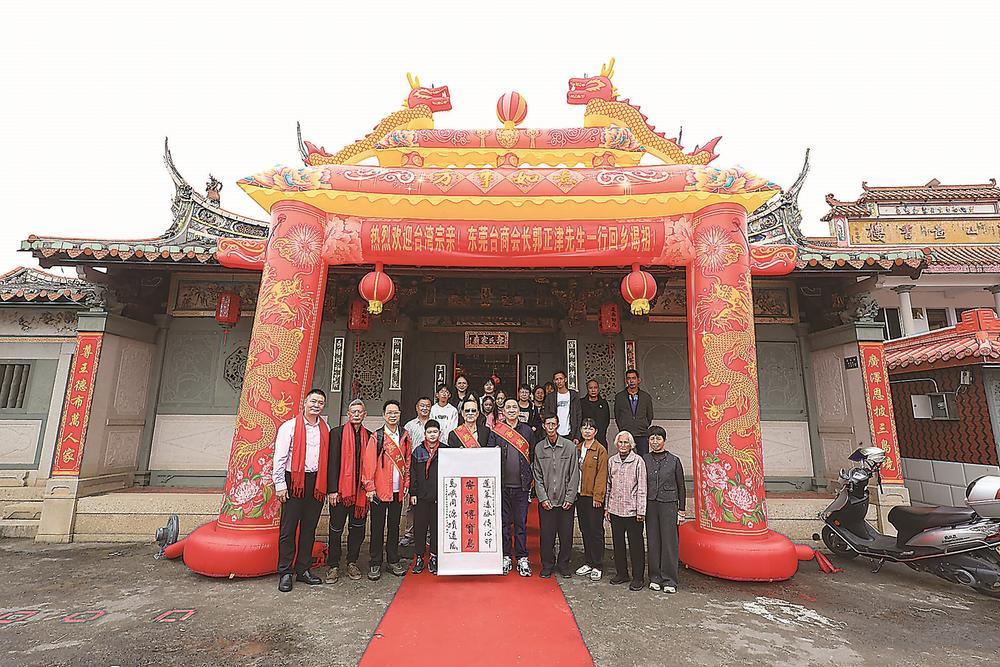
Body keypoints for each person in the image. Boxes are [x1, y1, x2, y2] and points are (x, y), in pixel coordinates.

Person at [273, 388, 330, 593]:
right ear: (305, 403)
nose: (316, 405)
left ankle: (303, 569)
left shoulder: (325, 427)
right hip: (294, 481)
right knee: (288, 529)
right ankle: (285, 572)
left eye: (320, 403)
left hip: (316, 482)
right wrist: (280, 484)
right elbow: (280, 457)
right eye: (313, 401)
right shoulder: (289, 427)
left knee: (309, 528)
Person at [362, 400, 412, 580]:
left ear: (399, 414)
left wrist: (407, 484)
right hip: (379, 490)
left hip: (398, 491)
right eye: (389, 412)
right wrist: (369, 487)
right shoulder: (377, 436)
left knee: (394, 526)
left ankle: (393, 560)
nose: (392, 415)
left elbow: (407, 461)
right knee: (377, 527)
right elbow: (369, 463)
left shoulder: (405, 435)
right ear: (384, 415)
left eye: (395, 412)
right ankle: (375, 562)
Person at [325, 398, 370, 584]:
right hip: (341, 492)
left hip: (360, 493)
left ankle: (352, 562)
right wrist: (332, 490)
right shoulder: (337, 433)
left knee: (357, 529)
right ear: (348, 414)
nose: (357, 414)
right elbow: (332, 463)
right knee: (336, 529)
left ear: (365, 415)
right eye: (353, 412)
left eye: (360, 412)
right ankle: (333, 565)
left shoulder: (369, 436)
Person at [488, 398, 535, 577]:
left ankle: (522, 557)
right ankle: (506, 555)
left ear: (519, 410)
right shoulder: (496, 430)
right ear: (503, 411)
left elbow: (532, 455)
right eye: (508, 407)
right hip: (502, 485)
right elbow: (490, 454)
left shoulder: (527, 431)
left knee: (521, 523)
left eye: (514, 407)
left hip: (522, 486)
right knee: (505, 523)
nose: (511, 410)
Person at [532, 412, 580, 579]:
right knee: (547, 536)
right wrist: (543, 498)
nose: (551, 427)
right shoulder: (539, 448)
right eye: (548, 424)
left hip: (565, 501)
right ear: (544, 426)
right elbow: (537, 475)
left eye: (554, 424)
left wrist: (570, 497)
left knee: (566, 536)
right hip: (547, 501)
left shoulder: (569, 447)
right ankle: (547, 565)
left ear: (558, 426)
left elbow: (574, 474)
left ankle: (564, 565)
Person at [642, 425, 685, 594]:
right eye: (652, 438)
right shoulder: (645, 459)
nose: (655, 441)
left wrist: (681, 510)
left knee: (669, 542)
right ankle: (655, 577)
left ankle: (670, 580)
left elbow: (681, 486)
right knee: (653, 541)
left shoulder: (674, 460)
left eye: (658, 438)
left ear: (664, 440)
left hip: (669, 504)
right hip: (650, 504)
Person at [606, 430, 647, 591]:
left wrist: (641, 510)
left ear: (631, 445)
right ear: (616, 444)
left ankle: (638, 577)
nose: (623, 445)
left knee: (636, 545)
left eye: (626, 442)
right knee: (618, 544)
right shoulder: (612, 461)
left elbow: (642, 487)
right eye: (620, 442)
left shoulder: (638, 461)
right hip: (615, 509)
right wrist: (607, 507)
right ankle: (621, 573)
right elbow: (608, 485)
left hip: (632, 511)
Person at [575, 418, 609, 581]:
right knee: (585, 529)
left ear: (595, 431)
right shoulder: (577, 448)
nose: (587, 431)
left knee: (596, 531)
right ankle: (588, 561)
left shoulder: (600, 450)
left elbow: (602, 475)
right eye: (584, 428)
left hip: (593, 496)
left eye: (590, 428)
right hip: (579, 495)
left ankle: (597, 564)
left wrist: (598, 496)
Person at [399, 396, 433, 549]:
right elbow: (405, 448)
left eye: (427, 405)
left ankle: (428, 534)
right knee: (412, 503)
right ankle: (409, 534)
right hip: (415, 466)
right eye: (422, 406)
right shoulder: (410, 425)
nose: (425, 408)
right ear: (417, 408)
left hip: (432, 466)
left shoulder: (434, 424)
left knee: (431, 502)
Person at [410, 419, 442, 575]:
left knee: (436, 528)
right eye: (429, 432)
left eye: (435, 432)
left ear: (439, 433)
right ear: (425, 434)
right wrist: (413, 493)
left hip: (439, 497)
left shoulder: (445, 450)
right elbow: (413, 474)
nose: (432, 435)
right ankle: (419, 557)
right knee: (420, 528)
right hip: (421, 497)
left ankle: (434, 557)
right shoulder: (418, 451)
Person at [614, 369, 654, 457]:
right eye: (629, 378)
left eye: (633, 378)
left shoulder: (646, 397)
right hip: (626, 433)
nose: (631, 381)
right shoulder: (619, 397)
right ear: (626, 380)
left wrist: (643, 425)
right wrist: (622, 428)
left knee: (643, 457)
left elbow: (650, 415)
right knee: (625, 457)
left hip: (641, 433)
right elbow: (617, 416)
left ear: (638, 380)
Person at [543, 371, 581, 444]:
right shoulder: (550, 397)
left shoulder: (574, 395)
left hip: (570, 434)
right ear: (554, 381)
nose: (559, 381)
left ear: (565, 379)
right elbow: (546, 416)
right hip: (554, 433)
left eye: (561, 378)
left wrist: (577, 436)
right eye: (557, 379)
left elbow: (578, 416)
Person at [580, 379, 611, 447]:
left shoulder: (604, 403)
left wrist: (601, 432)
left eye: (595, 387)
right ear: (587, 389)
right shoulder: (581, 403)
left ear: (598, 389)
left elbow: (607, 420)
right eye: (591, 388)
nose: (593, 390)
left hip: (601, 438)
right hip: (585, 438)